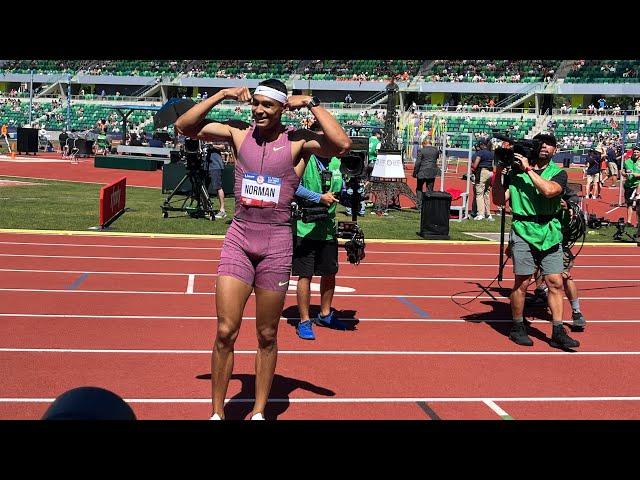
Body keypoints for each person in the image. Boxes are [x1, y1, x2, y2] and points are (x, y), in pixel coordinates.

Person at [175, 79, 351, 420]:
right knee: (225, 331)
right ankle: (217, 414)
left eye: (267, 105)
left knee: (267, 334)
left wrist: (311, 101)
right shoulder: (239, 133)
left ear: (282, 108)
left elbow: (341, 144)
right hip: (239, 239)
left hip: (276, 243)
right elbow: (185, 126)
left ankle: (258, 412)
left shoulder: (298, 141)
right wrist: (223, 94)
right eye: (255, 103)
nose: (258, 110)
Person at [492, 133, 580, 349]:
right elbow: (497, 199)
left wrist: (528, 170)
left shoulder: (558, 173)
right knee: (522, 282)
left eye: (550, 145)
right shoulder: (514, 172)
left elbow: (550, 191)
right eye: (541, 143)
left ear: (555, 151)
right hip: (523, 229)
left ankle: (558, 330)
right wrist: (498, 172)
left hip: (550, 231)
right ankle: (517, 326)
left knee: (556, 282)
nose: (545, 147)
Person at [292, 137, 349, 340]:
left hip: (328, 227)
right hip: (305, 226)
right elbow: (292, 185)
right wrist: (318, 198)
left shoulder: (337, 162)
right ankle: (305, 320)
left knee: (329, 272)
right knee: (305, 275)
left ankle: (325, 314)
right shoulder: (304, 159)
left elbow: (340, 188)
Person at [526, 190, 586, 330]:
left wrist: (568, 206)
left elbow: (573, 196)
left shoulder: (558, 185)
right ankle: (541, 292)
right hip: (536, 237)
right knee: (535, 268)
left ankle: (576, 312)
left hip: (558, 241)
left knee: (565, 276)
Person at [412, 137, 440, 209]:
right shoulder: (436, 150)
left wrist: (415, 173)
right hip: (432, 171)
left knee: (419, 188)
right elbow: (436, 158)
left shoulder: (421, 150)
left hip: (422, 171)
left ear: (424, 144)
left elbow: (418, 163)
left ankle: (419, 205)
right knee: (430, 189)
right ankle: (429, 205)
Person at [471, 138, 495, 221]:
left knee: (479, 194)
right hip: (490, 172)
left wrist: (472, 167)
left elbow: (475, 165)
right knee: (486, 194)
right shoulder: (491, 153)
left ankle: (480, 214)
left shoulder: (480, 153)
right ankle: (488, 214)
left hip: (482, 172)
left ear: (481, 145)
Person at [206, 143, 227, 219]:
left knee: (218, 187)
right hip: (206, 165)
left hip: (215, 165)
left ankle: (222, 210)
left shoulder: (216, 135)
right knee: (204, 188)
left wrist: (213, 146)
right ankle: (206, 209)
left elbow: (223, 146)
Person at [621, 146, 640, 227]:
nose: (636, 153)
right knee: (629, 203)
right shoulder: (627, 161)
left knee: (638, 205)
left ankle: (638, 222)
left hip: (638, 185)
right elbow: (622, 171)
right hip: (628, 185)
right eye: (635, 152)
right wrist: (624, 174)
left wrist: (638, 175)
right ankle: (628, 222)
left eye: (637, 152)